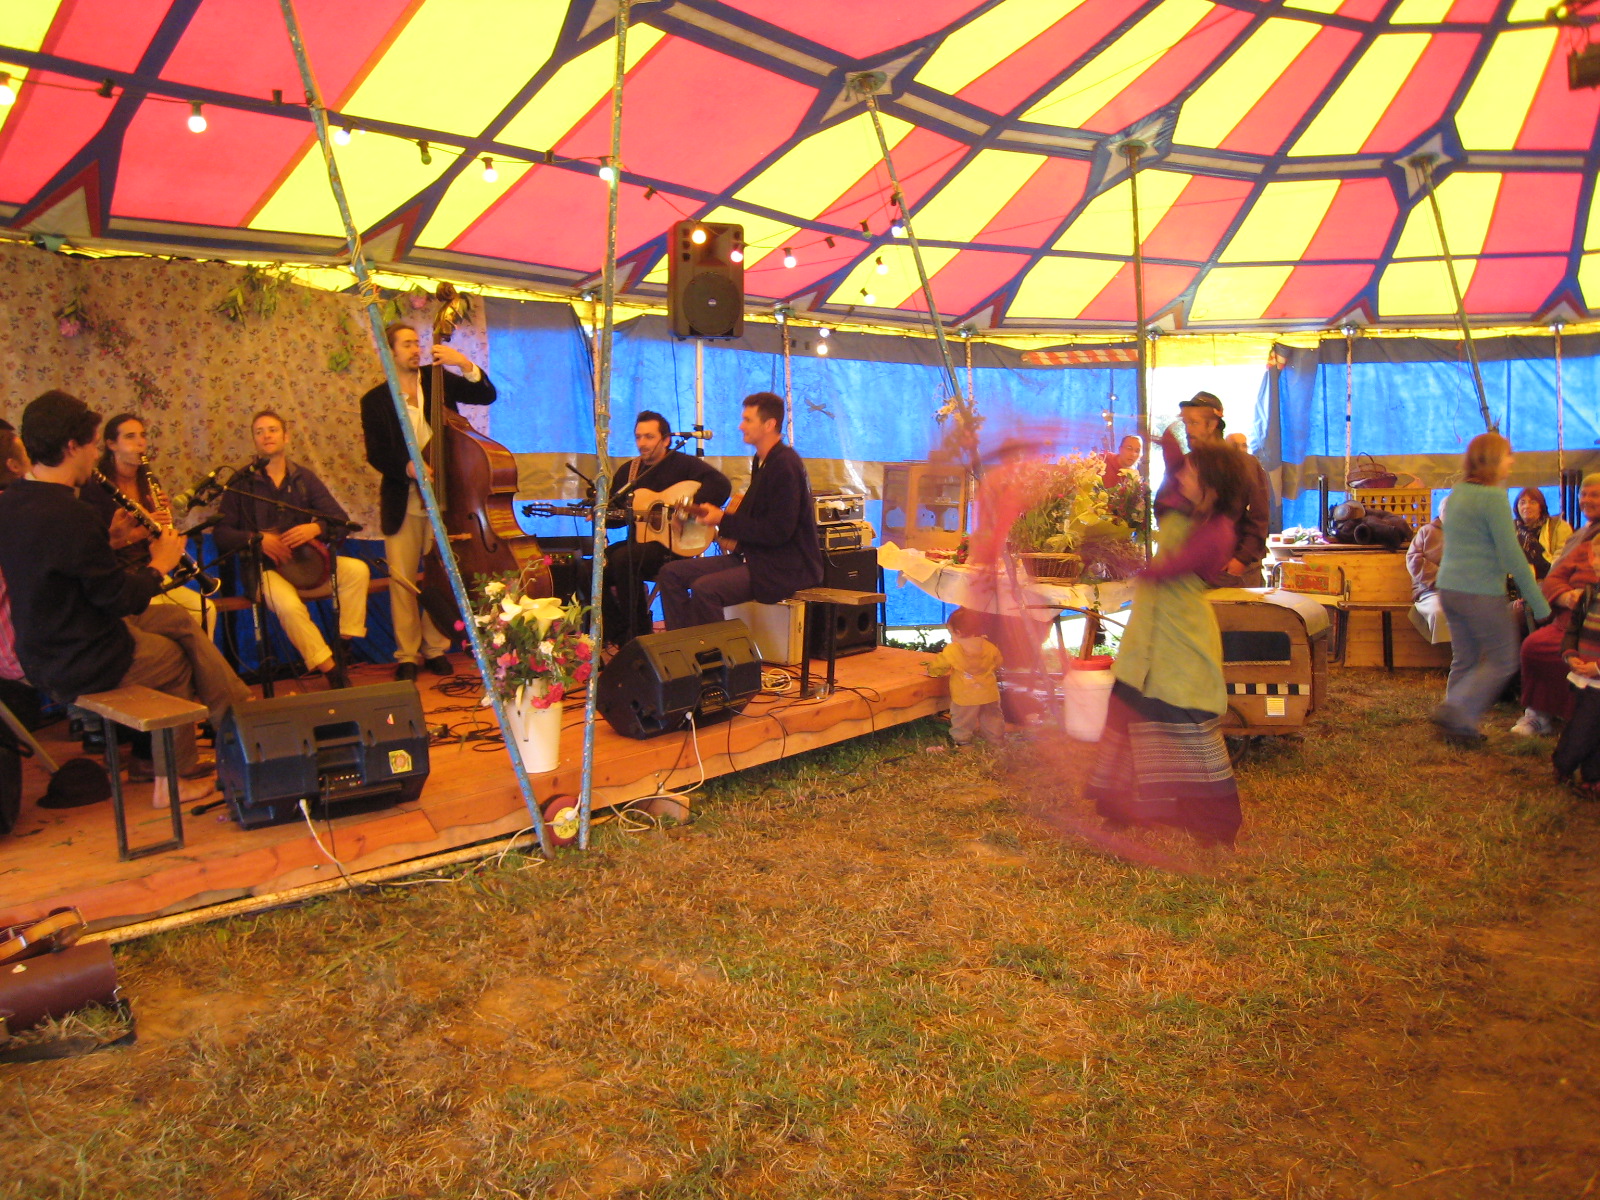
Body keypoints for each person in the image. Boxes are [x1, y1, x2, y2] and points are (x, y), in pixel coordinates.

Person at [0, 392, 253, 806]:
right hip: (74, 654)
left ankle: (236, 716)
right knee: (173, 661)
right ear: (72, 447)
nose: (94, 456)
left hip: (49, 638)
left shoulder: (14, 500)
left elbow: (64, 567)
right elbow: (119, 599)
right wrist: (159, 564)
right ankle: (174, 780)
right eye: (92, 445)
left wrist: (110, 541)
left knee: (178, 620)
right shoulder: (71, 513)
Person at [1086, 432, 1253, 847]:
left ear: (1212, 486)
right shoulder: (1186, 507)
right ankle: (1122, 808)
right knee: (1129, 713)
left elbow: (1164, 571)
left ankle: (1213, 828)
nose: (1181, 477)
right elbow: (1173, 479)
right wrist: (1169, 445)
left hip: (1180, 636)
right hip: (1148, 633)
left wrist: (1110, 553)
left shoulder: (1216, 532)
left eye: (1191, 473)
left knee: (1182, 719)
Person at [361, 322, 496, 681]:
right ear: (389, 351)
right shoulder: (374, 400)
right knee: (404, 579)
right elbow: (376, 453)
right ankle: (407, 654)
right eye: (406, 344)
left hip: (446, 495)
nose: (415, 349)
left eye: (416, 343)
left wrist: (463, 363)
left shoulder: (437, 380)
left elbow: (486, 396)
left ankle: (435, 648)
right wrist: (407, 466)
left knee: (440, 575)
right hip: (404, 497)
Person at [214, 410, 368, 690]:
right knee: (288, 605)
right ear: (254, 440)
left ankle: (342, 646)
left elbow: (340, 521)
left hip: (307, 569)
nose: (266, 436)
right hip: (264, 571)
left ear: (286, 437)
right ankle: (331, 670)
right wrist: (256, 538)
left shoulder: (303, 478)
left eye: (272, 430)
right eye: (259, 431)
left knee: (357, 571)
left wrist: (316, 528)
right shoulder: (241, 482)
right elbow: (222, 534)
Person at [656, 392, 824, 629]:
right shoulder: (761, 460)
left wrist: (723, 520)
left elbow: (778, 531)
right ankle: (685, 644)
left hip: (784, 567)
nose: (740, 426)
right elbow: (755, 518)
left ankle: (719, 653)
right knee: (670, 574)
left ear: (769, 424)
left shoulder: (785, 464)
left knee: (706, 589)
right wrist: (709, 516)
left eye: (747, 420)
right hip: (754, 558)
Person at [1431, 433, 1550, 745]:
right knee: (1503, 660)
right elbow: (1513, 555)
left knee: (1465, 659)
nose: (1512, 460)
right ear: (1494, 459)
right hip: (1480, 590)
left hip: (1449, 588)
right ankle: (1456, 711)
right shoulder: (1494, 498)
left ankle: (1458, 729)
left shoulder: (1458, 494)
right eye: (1508, 455)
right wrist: (1539, 603)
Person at [600, 411, 730, 649]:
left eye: (649, 437)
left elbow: (722, 485)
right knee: (591, 568)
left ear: (666, 439)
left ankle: (640, 636)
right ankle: (618, 634)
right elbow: (615, 518)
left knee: (623, 559)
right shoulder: (629, 472)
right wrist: (600, 515)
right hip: (639, 545)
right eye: (638, 437)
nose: (642, 443)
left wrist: (687, 509)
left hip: (675, 547)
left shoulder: (684, 465)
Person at [79, 413, 216, 635]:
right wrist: (145, 529)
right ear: (111, 444)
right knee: (172, 618)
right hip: (121, 577)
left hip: (152, 567)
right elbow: (99, 545)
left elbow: (157, 533)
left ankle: (196, 658)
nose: (140, 442)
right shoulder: (96, 488)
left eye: (142, 436)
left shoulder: (148, 481)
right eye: (130, 437)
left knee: (206, 610)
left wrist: (163, 527)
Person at [1513, 474, 1600, 737]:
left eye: (1595, 495)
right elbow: (1554, 577)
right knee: (1534, 646)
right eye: (1583, 494)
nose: (1586, 500)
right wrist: (1564, 596)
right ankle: (1538, 715)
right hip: (1570, 620)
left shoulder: (1561, 528)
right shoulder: (1581, 539)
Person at [1177, 392, 1271, 587]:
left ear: (1212, 425)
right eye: (1185, 423)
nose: (1188, 430)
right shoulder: (1183, 465)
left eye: (1194, 423)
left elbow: (1259, 517)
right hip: (1193, 573)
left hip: (1235, 570)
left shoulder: (1245, 464)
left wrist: (1242, 559)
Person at [926, 607, 1004, 747]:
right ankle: (996, 740)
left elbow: (940, 666)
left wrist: (932, 671)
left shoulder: (953, 649)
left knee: (962, 720)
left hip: (965, 695)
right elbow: (998, 662)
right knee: (992, 718)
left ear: (958, 632)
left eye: (951, 633)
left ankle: (963, 742)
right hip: (989, 693)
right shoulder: (989, 647)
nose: (951, 637)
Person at [1553, 578, 1600, 798]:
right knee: (1583, 726)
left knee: (1591, 728)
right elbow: (1573, 630)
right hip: (1585, 678)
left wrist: (1597, 667)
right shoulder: (1589, 595)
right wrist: (1570, 654)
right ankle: (1564, 764)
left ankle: (1592, 776)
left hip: (1595, 674)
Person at [1406, 499, 1450, 644]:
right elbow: (1414, 561)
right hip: (1430, 589)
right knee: (1439, 612)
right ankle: (1451, 652)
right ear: (1441, 512)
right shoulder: (1426, 532)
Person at [1512, 486, 1572, 581]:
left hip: (1550, 580)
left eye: (1532, 502)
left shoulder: (1558, 526)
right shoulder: (1510, 528)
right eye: (1522, 502)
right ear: (1517, 506)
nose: (1527, 506)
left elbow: (1563, 557)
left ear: (1541, 506)